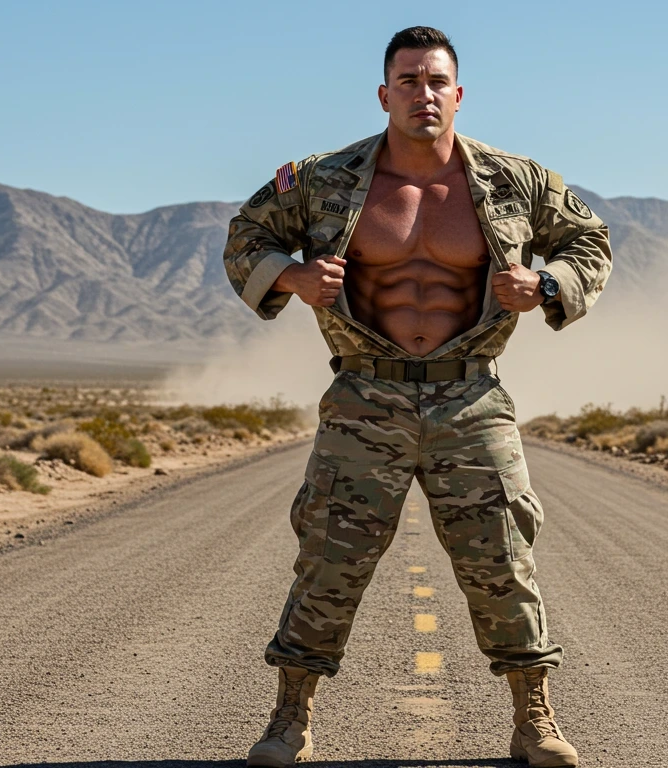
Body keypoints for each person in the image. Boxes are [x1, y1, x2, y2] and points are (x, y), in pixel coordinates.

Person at [222, 25, 611, 768]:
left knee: (503, 557)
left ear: (458, 94)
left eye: (436, 82)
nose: (423, 94)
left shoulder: (514, 180)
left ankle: (534, 719)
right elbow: (244, 235)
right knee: (329, 558)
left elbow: (589, 241)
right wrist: (291, 277)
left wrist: (548, 284)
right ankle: (289, 719)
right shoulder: (323, 179)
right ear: (384, 93)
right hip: (367, 393)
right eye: (408, 81)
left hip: (471, 397)